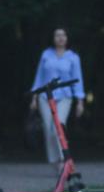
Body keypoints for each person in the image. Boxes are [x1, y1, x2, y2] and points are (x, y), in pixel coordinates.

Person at [30, 28, 85, 168]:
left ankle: (63, 160)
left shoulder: (73, 57)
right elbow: (39, 77)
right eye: (57, 35)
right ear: (53, 38)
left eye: (63, 35)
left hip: (65, 97)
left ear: (67, 38)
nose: (60, 38)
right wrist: (34, 98)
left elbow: (78, 80)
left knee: (58, 127)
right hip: (45, 97)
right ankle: (54, 161)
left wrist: (80, 102)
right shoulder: (46, 55)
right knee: (48, 128)